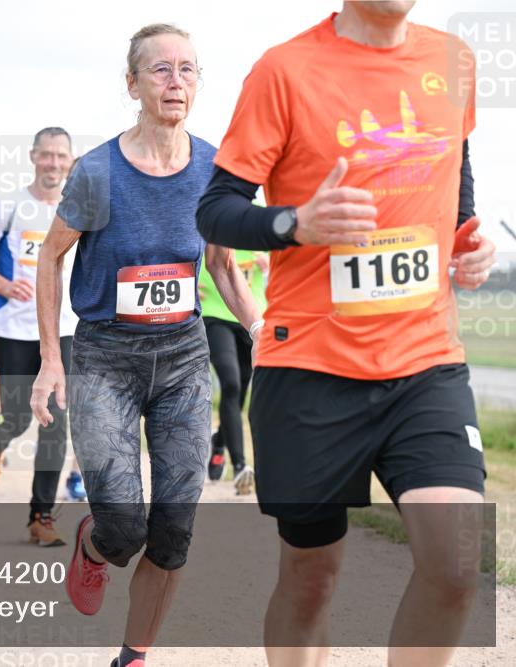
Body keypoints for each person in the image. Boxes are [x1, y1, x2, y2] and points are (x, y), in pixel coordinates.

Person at [195, 3, 495, 665]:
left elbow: (456, 165)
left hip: (425, 363)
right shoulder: (284, 70)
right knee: (311, 577)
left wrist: (466, 238)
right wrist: (295, 223)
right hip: (310, 369)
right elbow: (216, 211)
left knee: (455, 565)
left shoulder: (453, 60)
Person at [30, 25, 261, 667]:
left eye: (188, 69)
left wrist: (259, 329)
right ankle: (95, 545)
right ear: (132, 85)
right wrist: (50, 359)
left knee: (176, 525)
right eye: (160, 70)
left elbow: (222, 265)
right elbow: (49, 259)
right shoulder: (97, 172)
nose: (176, 81)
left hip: (183, 356)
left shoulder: (215, 167)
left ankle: (133, 656)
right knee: (123, 525)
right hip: (105, 358)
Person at [0, 127, 83, 546]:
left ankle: (41, 517)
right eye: (46, 154)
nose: (53, 162)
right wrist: (4, 285)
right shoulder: (9, 206)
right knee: (18, 416)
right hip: (15, 328)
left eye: (61, 155)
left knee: (56, 421)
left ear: (69, 160)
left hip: (65, 328)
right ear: (33, 157)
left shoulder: (80, 209)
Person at [199, 250, 268, 494]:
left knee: (241, 391)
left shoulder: (262, 225)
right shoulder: (212, 224)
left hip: (252, 320)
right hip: (214, 313)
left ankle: (219, 441)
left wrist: (267, 267)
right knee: (230, 384)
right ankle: (240, 466)